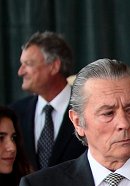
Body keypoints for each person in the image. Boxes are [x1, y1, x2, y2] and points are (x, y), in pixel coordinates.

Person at [10, 31, 86, 170]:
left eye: (28, 64)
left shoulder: (86, 109)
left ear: (54, 66)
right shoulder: (15, 113)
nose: (20, 72)